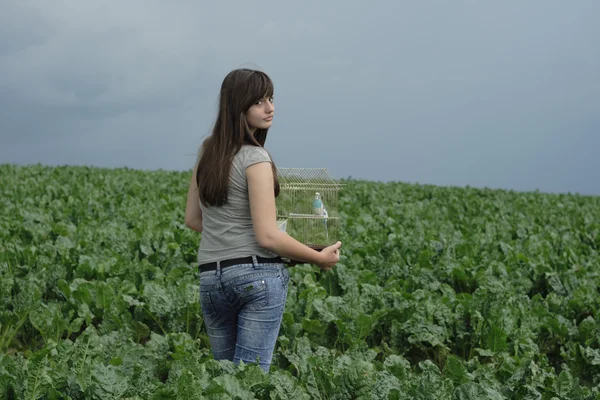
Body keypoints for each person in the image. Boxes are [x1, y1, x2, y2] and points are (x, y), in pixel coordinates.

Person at [184, 68, 342, 372]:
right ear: (237, 106)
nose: (270, 108)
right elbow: (268, 236)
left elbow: (193, 218)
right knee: (251, 383)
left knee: (226, 385)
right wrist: (317, 258)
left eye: (271, 98)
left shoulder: (207, 151)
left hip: (210, 278)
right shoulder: (256, 158)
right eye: (259, 102)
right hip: (256, 278)